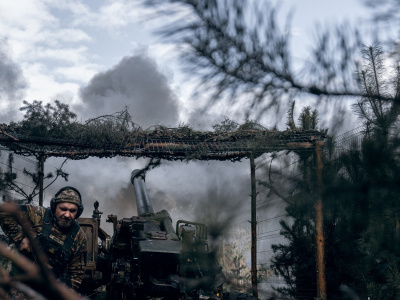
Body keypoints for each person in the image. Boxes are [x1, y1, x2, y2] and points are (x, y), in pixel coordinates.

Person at [0, 186, 87, 291]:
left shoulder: (79, 237)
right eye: (63, 209)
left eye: (72, 211)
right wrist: (21, 238)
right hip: (21, 283)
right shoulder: (37, 215)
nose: (67, 215)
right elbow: (5, 211)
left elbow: (76, 276)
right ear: (55, 207)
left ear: (78, 212)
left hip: (49, 290)